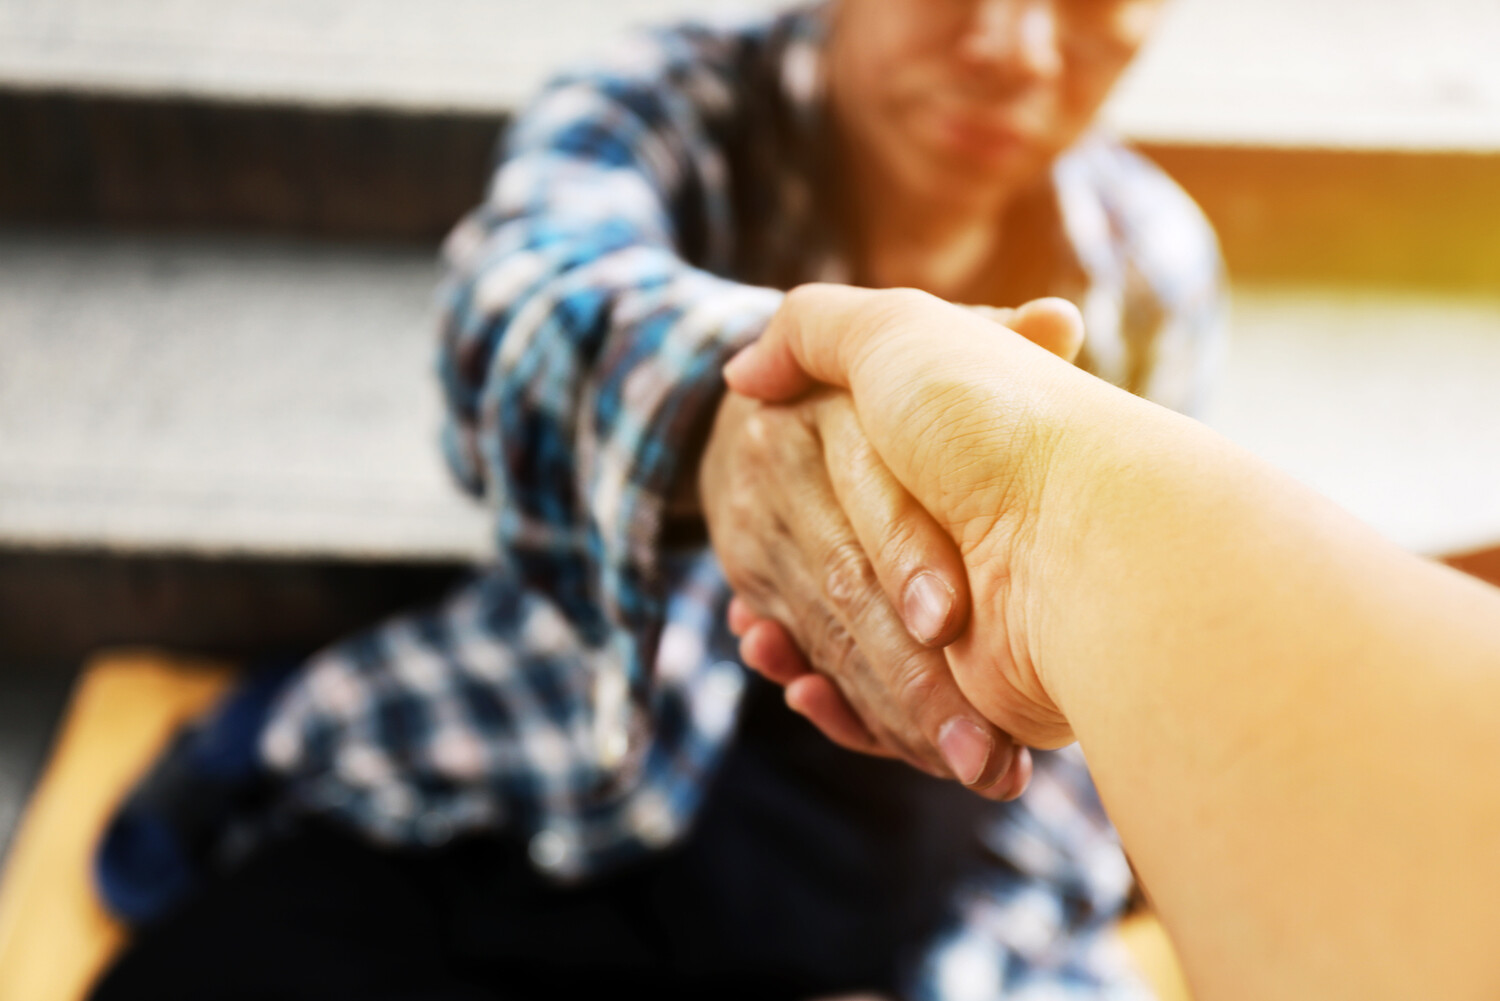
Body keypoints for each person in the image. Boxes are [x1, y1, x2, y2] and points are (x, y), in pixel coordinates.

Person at [90, 2, 1223, 999]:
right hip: (561, 768)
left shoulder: (1147, 264)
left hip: (879, 857)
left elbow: (1089, 708)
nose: (1014, 48)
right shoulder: (669, 104)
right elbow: (520, 302)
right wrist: (727, 411)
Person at [723, 284, 1500, 1000]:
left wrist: (1032, 506)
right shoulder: (679, 146)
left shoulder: (1152, 260)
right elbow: (606, 294)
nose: (1010, 120)